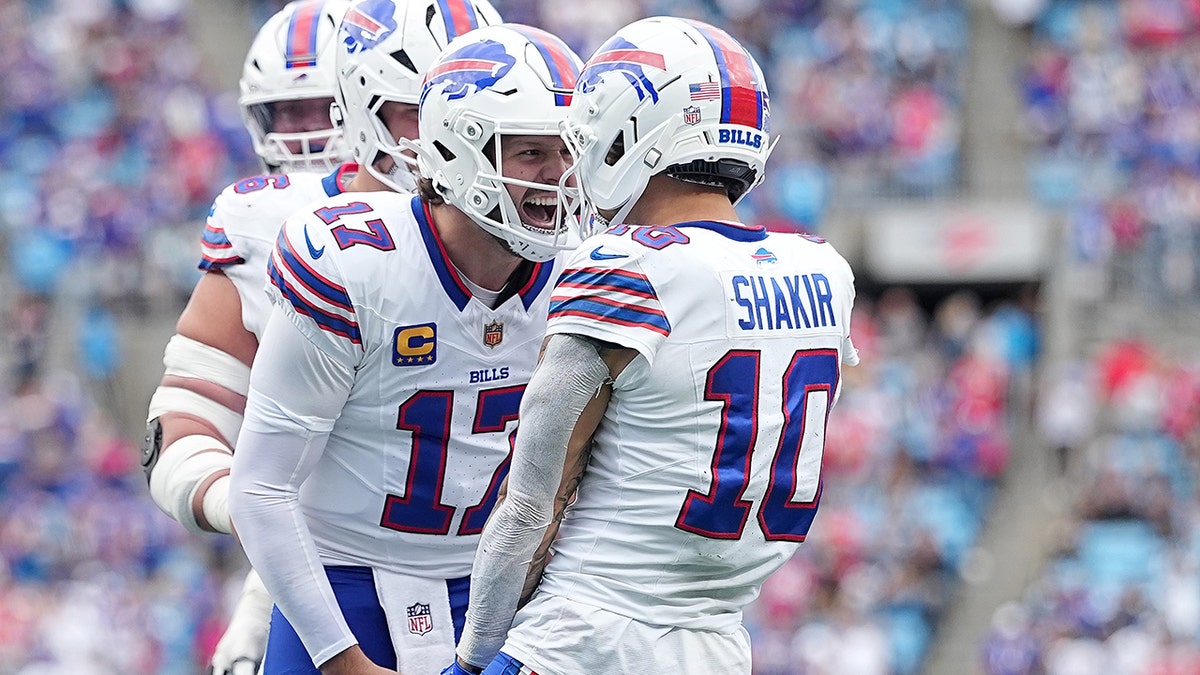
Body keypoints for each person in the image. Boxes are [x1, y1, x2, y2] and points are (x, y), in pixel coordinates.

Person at [447, 16, 860, 675]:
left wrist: (472, 656)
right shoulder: (823, 271)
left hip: (581, 638)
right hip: (718, 645)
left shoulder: (628, 267)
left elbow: (533, 504)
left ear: (629, 131)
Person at [139, 0, 502, 672]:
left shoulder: (554, 236)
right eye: (423, 115)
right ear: (362, 108)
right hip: (339, 586)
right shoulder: (275, 223)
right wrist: (253, 524)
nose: (451, 141)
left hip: (496, 587)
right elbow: (185, 421)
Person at [227, 23, 582, 675]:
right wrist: (342, 660)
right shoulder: (356, 261)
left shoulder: (584, 268)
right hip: (344, 583)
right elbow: (260, 486)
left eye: (570, 151)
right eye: (531, 151)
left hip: (504, 588)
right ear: (459, 150)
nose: (559, 177)